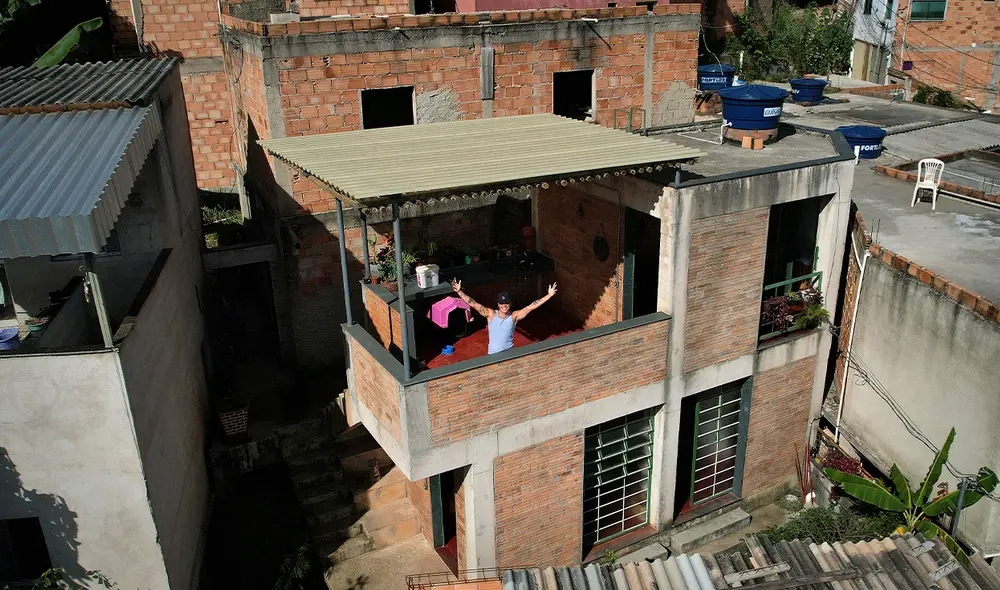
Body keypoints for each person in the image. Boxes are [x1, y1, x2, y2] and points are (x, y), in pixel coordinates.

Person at [451, 279, 558, 354]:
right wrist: (460, 292)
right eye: (501, 303)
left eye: (506, 303)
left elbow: (531, 306)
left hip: (509, 354)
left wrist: (549, 295)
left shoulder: (514, 316)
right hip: (493, 355)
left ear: (510, 303)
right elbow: (474, 304)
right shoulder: (491, 314)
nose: (504, 306)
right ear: (498, 304)